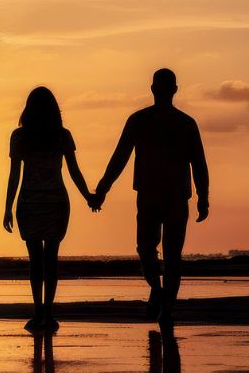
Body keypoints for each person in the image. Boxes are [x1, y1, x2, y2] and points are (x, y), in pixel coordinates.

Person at [89, 68, 209, 324]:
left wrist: (204, 195)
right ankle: (158, 290)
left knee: (169, 253)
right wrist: (102, 188)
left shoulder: (185, 123)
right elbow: (120, 157)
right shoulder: (139, 120)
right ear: (156, 89)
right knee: (148, 249)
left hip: (174, 196)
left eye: (166, 87)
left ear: (170, 90)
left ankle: (167, 309)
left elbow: (198, 162)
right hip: (151, 194)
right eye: (162, 87)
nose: (164, 91)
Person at [4, 86, 95, 332]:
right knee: (51, 260)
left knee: (36, 262)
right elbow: (74, 171)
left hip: (30, 203)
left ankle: (38, 313)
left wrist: (8, 207)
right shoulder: (62, 135)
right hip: (55, 202)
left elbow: (14, 176)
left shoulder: (20, 136)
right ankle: (49, 313)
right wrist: (88, 196)